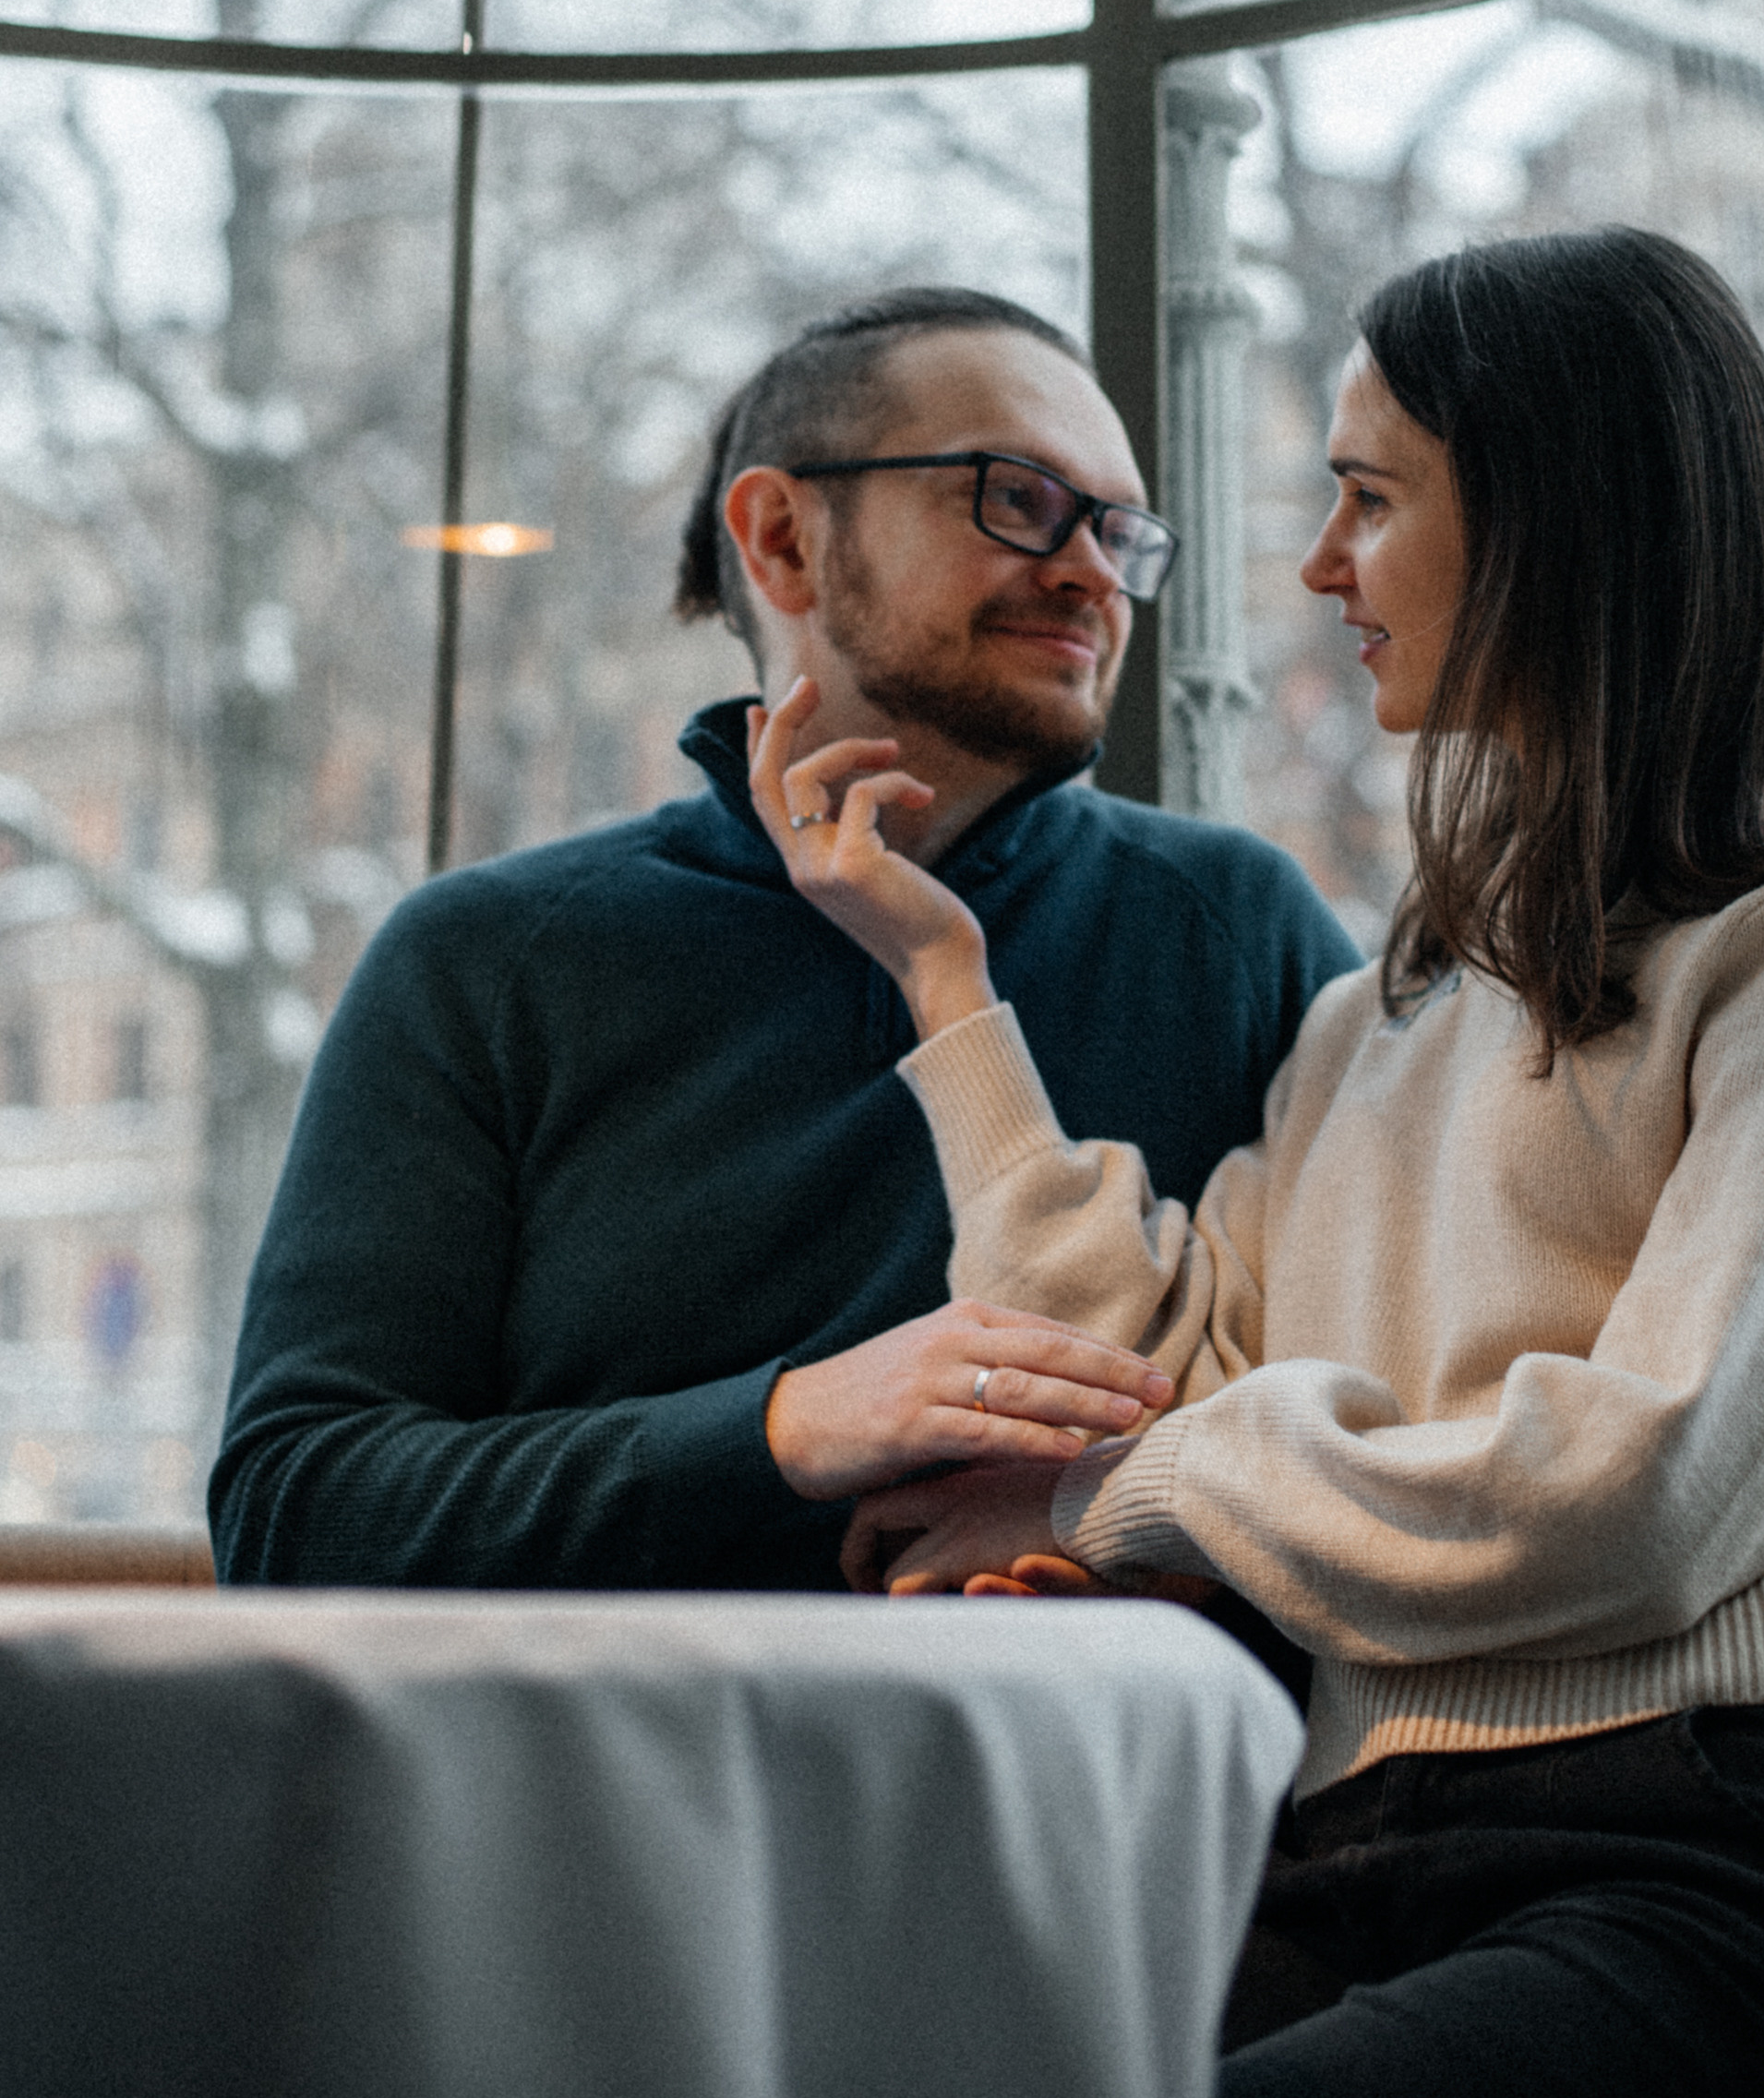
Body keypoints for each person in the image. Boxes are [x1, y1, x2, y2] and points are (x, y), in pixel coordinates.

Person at [742, 230, 1764, 2098]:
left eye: (1370, 497)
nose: (1320, 566)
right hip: (1348, 1834)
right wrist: (944, 982)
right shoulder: (1383, 1012)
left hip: (1714, 1837)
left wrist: (1112, 1494)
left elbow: (1643, 1498)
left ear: (1555, 515)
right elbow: (1146, 1369)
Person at [210, 288, 1357, 1589]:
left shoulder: (1236, 929)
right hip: (617, 1732)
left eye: (1120, 529)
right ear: (782, 540)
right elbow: (293, 1512)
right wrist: (789, 1427)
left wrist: (1153, 1538)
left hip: (1129, 1734)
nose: (1091, 570)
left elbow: (1394, 1417)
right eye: (1019, 499)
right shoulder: (485, 960)